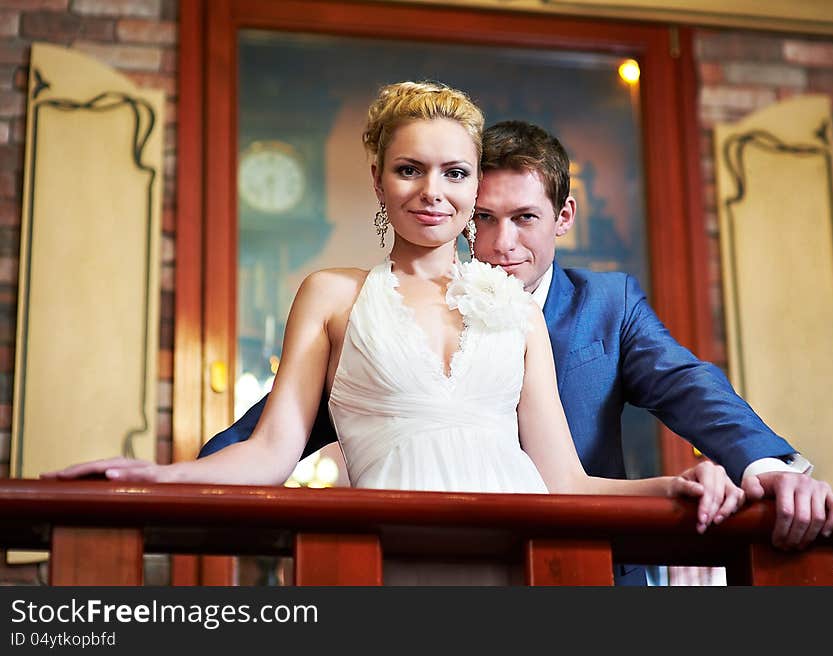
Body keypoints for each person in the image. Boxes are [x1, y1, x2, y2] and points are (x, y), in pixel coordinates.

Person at [44, 81, 745, 549]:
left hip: (529, 558)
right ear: (378, 178)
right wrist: (154, 476)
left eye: (455, 173)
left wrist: (675, 485)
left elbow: (564, 482)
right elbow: (269, 452)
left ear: (473, 188)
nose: (433, 192)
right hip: (385, 553)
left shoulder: (515, 315)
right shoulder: (332, 294)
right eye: (410, 169)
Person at [200, 116, 833, 583]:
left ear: (563, 217)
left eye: (525, 218)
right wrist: (172, 482)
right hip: (411, 559)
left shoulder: (607, 304)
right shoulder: (373, 310)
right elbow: (278, 430)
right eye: (483, 217)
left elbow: (688, 383)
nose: (502, 242)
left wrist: (767, 468)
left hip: (592, 571)